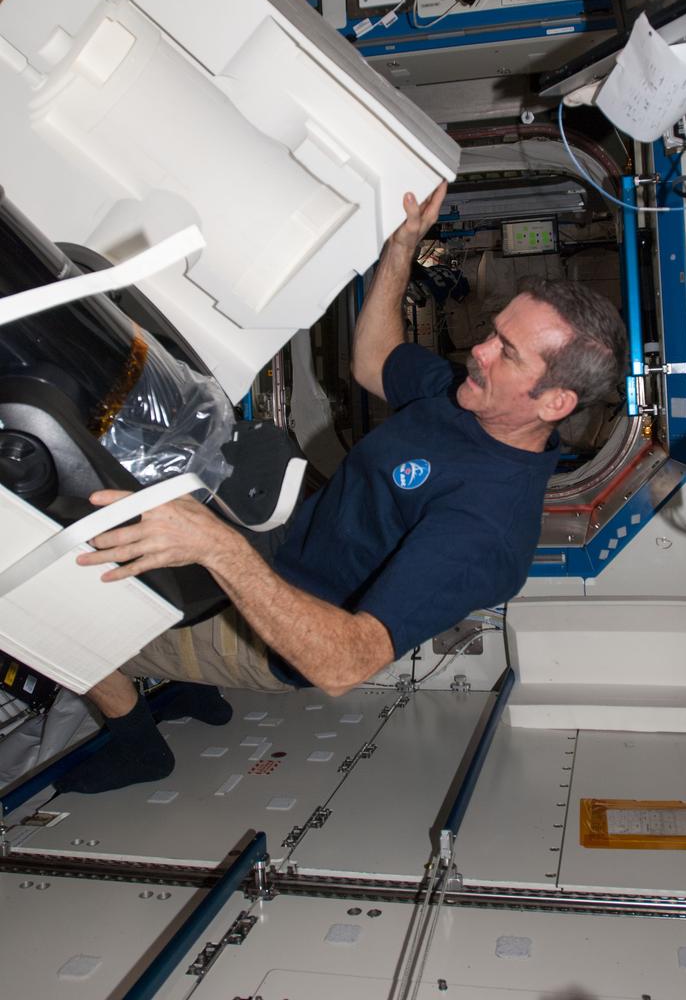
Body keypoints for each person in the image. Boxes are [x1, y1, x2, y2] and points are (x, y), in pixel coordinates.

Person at [56, 182, 626, 793]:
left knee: (60, 616)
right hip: (276, 545)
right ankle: (196, 692)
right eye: (492, 332)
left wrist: (216, 548)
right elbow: (374, 360)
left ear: (554, 402)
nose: (477, 351)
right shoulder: (467, 403)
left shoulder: (486, 530)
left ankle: (139, 745)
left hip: (271, 628)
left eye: (505, 352)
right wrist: (401, 249)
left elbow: (343, 664)